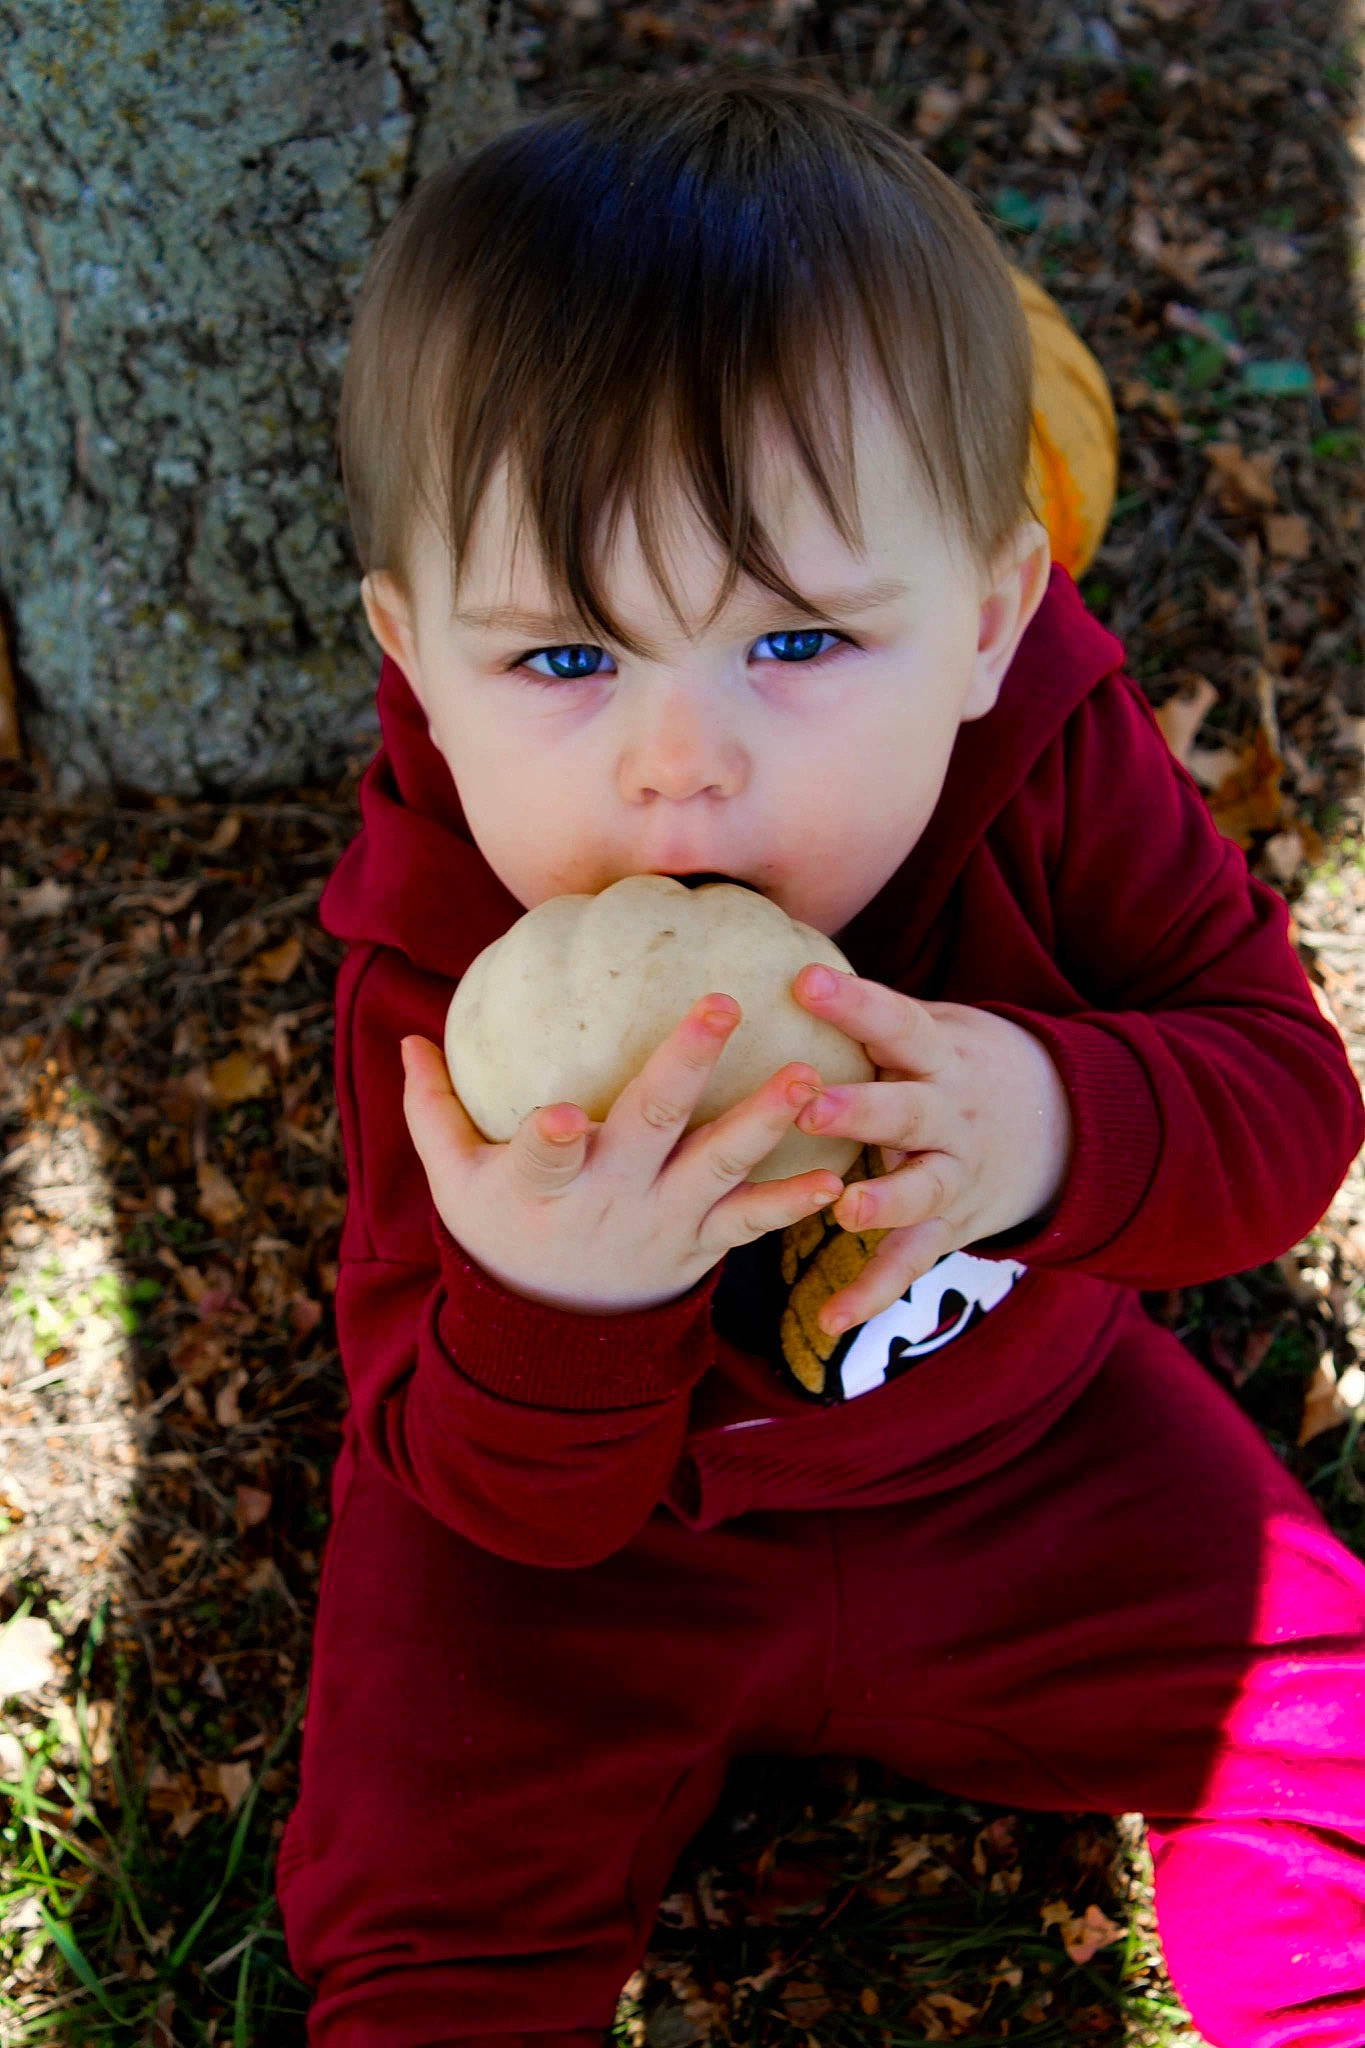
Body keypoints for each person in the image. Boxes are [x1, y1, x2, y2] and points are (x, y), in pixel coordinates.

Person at [275, 66, 1365, 2048]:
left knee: (1320, 1723)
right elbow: (458, 1462)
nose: (676, 757)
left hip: (1019, 1447)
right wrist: (554, 1298)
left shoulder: (1040, 747)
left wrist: (1039, 1116)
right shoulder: (440, 950)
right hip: (583, 1562)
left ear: (980, 617)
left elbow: (1281, 1102)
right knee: (416, 1904)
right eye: (560, 657)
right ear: (416, 660)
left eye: (791, 645)